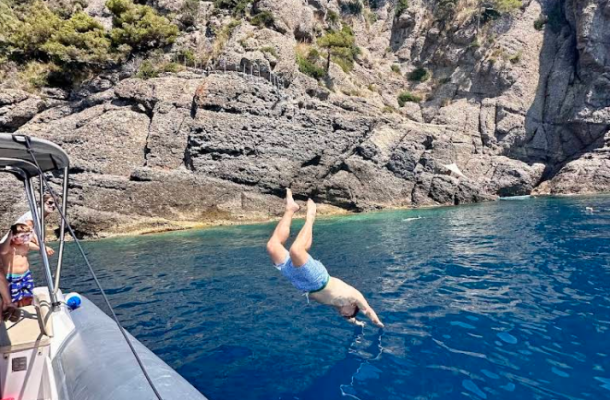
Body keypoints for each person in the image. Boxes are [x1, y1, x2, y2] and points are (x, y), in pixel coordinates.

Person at [266, 190, 384, 327]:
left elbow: (351, 319)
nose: (345, 315)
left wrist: (356, 323)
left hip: (300, 282)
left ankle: (290, 209)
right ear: (353, 307)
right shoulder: (353, 296)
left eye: (346, 316)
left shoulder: (336, 305)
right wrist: (378, 323)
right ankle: (310, 217)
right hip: (318, 279)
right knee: (296, 250)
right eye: (349, 314)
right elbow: (368, 311)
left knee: (272, 246)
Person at [0, 223, 53, 311]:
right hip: (13, 278)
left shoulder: (26, 245)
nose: (25, 239)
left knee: (29, 295)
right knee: (15, 299)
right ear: (13, 237)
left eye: (27, 236)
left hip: (26, 275)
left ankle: (27, 308)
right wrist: (9, 236)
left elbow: (39, 247)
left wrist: (45, 248)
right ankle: (14, 311)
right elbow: (2, 251)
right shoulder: (8, 247)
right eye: (22, 236)